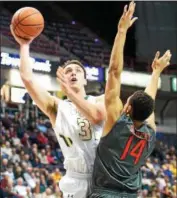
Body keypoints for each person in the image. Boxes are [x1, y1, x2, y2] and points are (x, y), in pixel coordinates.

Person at [88, 1, 172, 198]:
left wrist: (121, 31)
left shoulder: (117, 122)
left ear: (127, 108)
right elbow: (149, 98)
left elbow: (114, 72)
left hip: (104, 193)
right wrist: (156, 73)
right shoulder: (150, 132)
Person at [10, 25, 105, 197]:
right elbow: (28, 79)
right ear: (63, 78)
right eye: (68, 71)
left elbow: (97, 116)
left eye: (78, 71)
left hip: (104, 179)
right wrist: (24, 46)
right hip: (76, 181)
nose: (73, 73)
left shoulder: (100, 100)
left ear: (85, 80)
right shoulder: (57, 107)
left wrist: (70, 93)